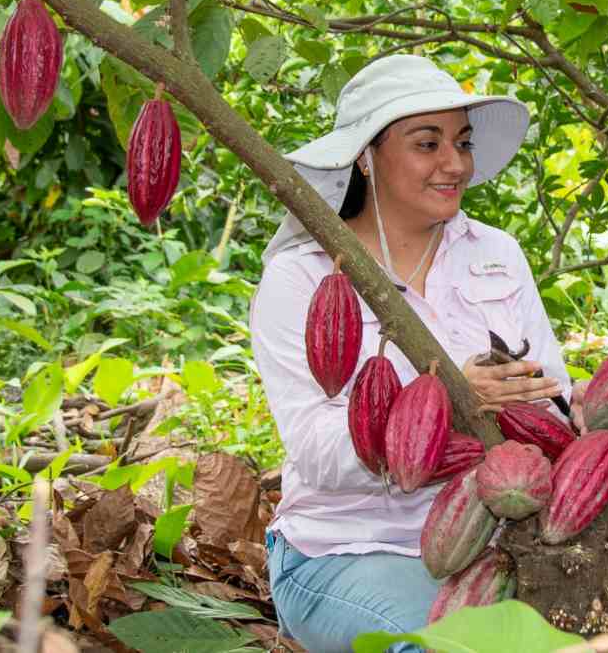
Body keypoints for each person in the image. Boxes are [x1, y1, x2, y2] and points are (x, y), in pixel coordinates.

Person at [250, 55, 586, 652]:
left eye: (461, 142)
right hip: (348, 547)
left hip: (494, 545)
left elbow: (548, 399)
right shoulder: (299, 279)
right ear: (364, 156)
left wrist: (581, 410)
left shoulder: (497, 253)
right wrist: (448, 403)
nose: (454, 164)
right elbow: (317, 452)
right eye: (427, 143)